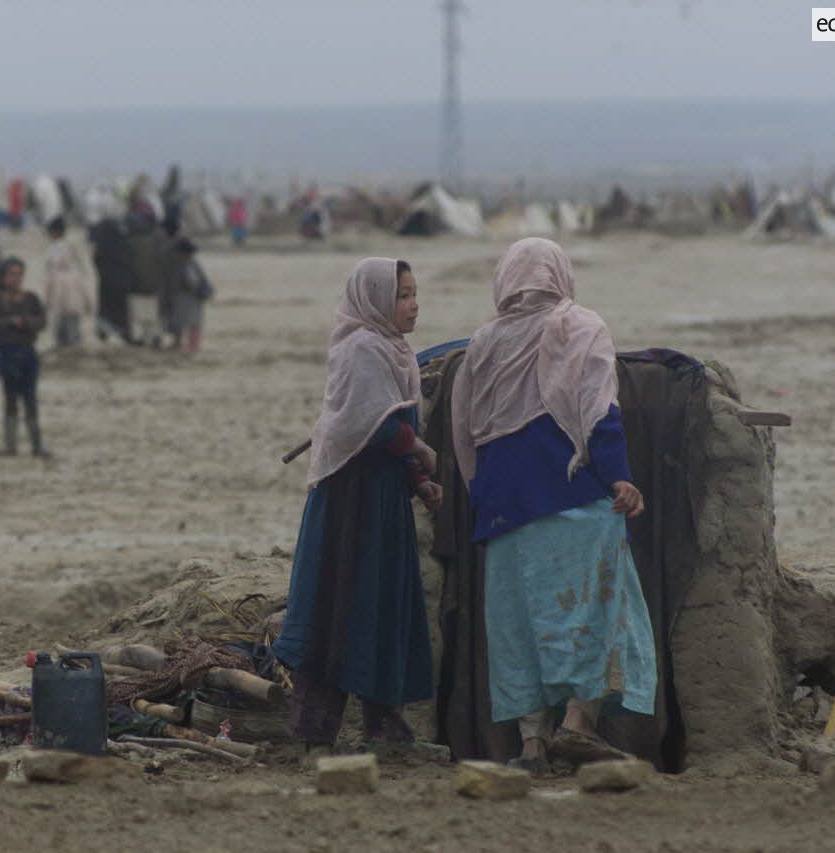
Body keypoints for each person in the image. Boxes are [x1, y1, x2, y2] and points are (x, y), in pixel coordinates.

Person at [449, 237, 657, 776]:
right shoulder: (579, 326)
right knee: (600, 609)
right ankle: (579, 724)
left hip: (503, 514)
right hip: (573, 504)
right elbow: (598, 410)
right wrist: (619, 477)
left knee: (519, 627)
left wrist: (488, 497)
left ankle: (532, 747)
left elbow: (464, 431)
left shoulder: (483, 343)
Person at [272, 258, 440, 752]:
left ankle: (385, 728)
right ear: (375, 300)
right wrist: (422, 450)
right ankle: (313, 732)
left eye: (414, 294)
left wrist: (417, 480)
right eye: (403, 295)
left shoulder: (394, 349)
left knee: (380, 604)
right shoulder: (361, 348)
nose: (413, 305)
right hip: (351, 503)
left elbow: (389, 425)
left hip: (383, 499)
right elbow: (372, 427)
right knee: (339, 603)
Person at [0, 258, 50, 457]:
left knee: (30, 398)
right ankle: (10, 444)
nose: (16, 278)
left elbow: (41, 321)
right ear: (3, 277)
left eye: (19, 274)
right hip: (6, 352)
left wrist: (25, 322)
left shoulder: (30, 298)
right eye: (11, 274)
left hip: (27, 351)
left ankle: (36, 443)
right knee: (10, 397)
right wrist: (8, 322)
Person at [43, 217, 95, 348]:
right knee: (72, 325)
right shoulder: (70, 250)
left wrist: (47, 300)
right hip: (73, 293)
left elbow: (50, 273)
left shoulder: (55, 249)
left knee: (63, 326)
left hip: (61, 293)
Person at [167, 238, 212, 353]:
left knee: (188, 323)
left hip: (188, 298)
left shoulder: (186, 265)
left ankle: (190, 347)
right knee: (193, 323)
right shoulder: (191, 263)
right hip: (193, 298)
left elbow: (193, 282)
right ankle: (192, 346)